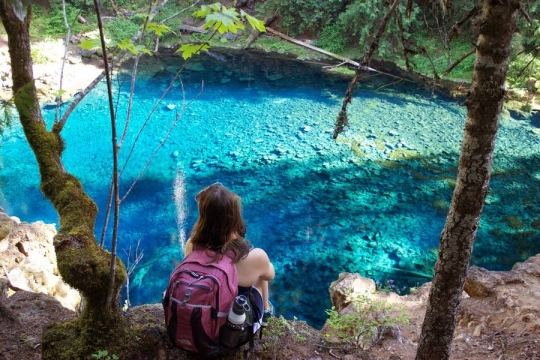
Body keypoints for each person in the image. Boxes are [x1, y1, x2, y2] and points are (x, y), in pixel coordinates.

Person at [184, 182, 275, 327]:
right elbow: (270, 275)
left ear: (203, 217)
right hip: (232, 331)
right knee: (262, 274)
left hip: (200, 323)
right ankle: (266, 311)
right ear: (234, 215)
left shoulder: (191, 245)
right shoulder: (255, 256)